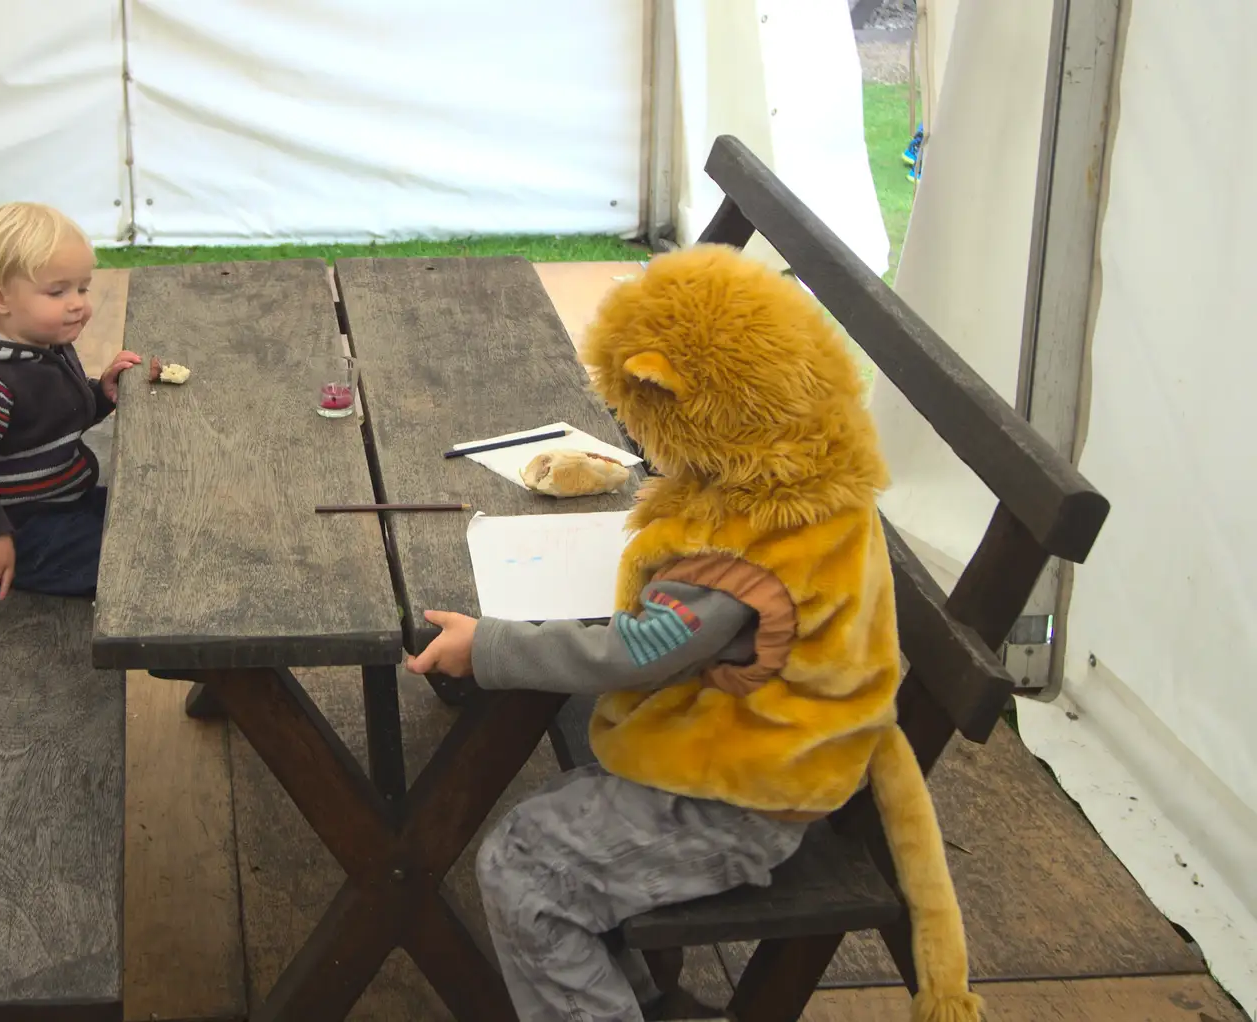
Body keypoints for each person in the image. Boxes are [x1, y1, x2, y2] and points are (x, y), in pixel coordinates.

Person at [407, 244, 983, 1022]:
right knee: (550, 824)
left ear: (674, 396)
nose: (634, 438)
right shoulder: (804, 474)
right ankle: (645, 1003)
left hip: (744, 799)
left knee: (524, 869)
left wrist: (492, 647)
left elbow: (636, 653)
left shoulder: (738, 557)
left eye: (635, 415)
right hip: (776, 753)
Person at [0, 202, 142, 601]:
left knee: (146, 516)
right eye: (57, 291)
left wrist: (101, 394)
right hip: (16, 534)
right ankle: (191, 652)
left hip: (56, 501)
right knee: (136, 564)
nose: (77, 302)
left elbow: (48, 418)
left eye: (83, 287)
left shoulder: (40, 347)